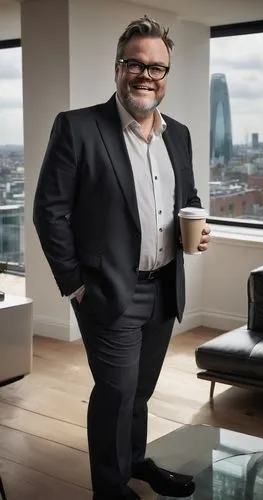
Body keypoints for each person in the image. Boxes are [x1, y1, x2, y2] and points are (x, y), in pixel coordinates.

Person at [33, 15, 210, 500]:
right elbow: (49, 213)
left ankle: (134, 461)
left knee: (140, 391)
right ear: (118, 67)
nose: (146, 75)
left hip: (163, 284)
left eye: (157, 68)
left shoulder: (180, 134)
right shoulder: (78, 127)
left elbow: (186, 196)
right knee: (115, 393)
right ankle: (109, 489)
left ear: (166, 75)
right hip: (107, 288)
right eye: (136, 64)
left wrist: (195, 231)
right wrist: (74, 284)